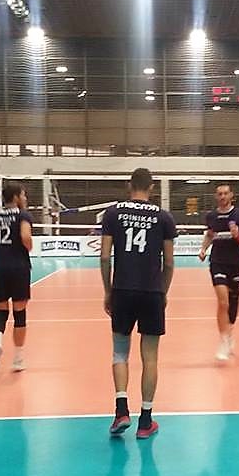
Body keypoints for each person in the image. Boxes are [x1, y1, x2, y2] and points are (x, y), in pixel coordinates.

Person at [100, 168, 176, 439]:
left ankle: (121, 410)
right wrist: (163, 292)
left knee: (120, 353)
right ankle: (145, 420)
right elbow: (169, 263)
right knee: (150, 357)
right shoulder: (164, 217)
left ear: (129, 185)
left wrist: (108, 291)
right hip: (151, 291)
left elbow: (105, 257)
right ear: (152, 187)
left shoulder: (113, 213)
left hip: (122, 289)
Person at [0, 183, 33, 374]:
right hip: (19, 267)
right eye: (23, 195)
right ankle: (18, 359)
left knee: (1, 310)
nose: (25, 198)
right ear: (16, 197)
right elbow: (25, 236)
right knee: (20, 312)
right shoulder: (23, 215)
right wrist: (28, 246)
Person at [198, 183, 239, 361]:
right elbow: (210, 234)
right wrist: (203, 248)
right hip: (217, 263)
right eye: (219, 194)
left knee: (233, 303)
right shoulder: (211, 216)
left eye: (225, 193)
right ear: (216, 197)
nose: (222, 196)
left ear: (231, 195)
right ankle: (223, 341)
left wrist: (237, 236)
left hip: (235, 264)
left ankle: (229, 334)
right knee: (223, 302)